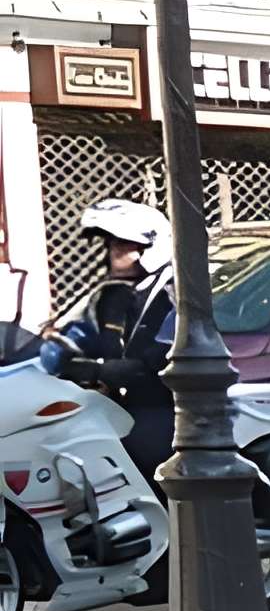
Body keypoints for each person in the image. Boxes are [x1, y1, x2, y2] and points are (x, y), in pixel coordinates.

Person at [57, 199, 177, 475]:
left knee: (139, 452)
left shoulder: (172, 295)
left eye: (121, 245)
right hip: (121, 404)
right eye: (111, 245)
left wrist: (99, 369)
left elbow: (159, 362)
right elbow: (81, 336)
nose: (112, 253)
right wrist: (60, 354)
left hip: (165, 407)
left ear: (151, 248)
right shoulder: (115, 296)